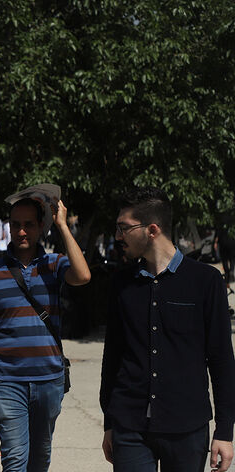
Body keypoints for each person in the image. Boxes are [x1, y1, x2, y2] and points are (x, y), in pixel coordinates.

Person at [100, 187, 235, 472]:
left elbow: (222, 360)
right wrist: (109, 422)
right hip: (129, 426)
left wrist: (224, 431)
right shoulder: (120, 284)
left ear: (152, 229)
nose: (117, 236)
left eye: (123, 228)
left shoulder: (206, 281)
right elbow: (112, 356)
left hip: (187, 427)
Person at [0, 195, 91, 472]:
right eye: (15, 224)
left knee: (40, 458)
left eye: (29, 225)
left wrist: (62, 225)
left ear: (40, 227)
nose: (21, 231)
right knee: (13, 460)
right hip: (7, 379)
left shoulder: (55, 264)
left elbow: (83, 276)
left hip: (48, 378)